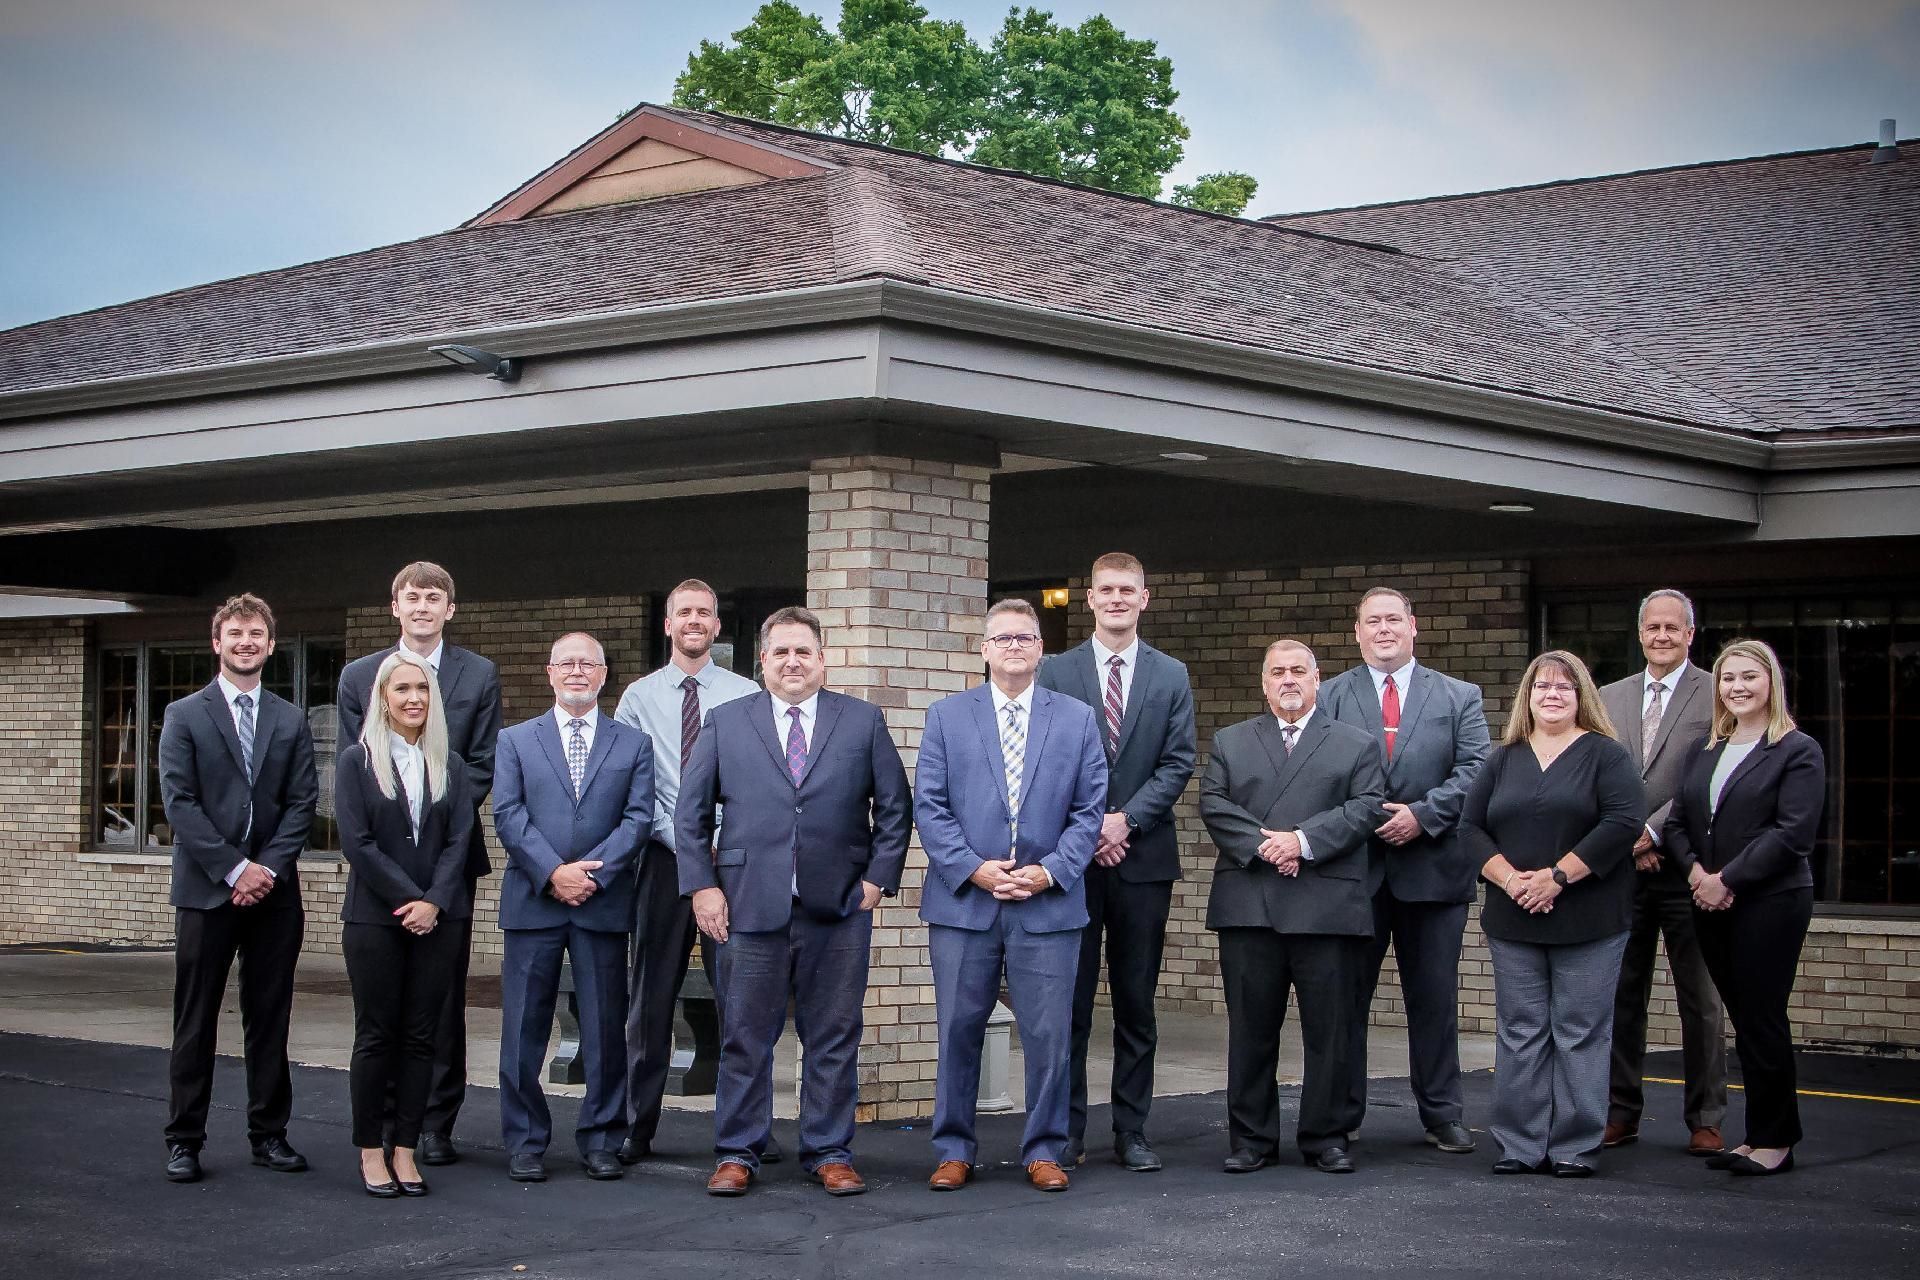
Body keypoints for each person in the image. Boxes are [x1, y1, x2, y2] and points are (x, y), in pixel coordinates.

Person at [679, 606, 912, 1197]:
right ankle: (738, 1151)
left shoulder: (860, 721)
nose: (792, 662)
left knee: (833, 1036)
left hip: (837, 909)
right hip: (748, 906)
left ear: (821, 658)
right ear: (763, 661)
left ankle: (829, 1151)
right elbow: (691, 814)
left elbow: (894, 809)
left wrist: (878, 880)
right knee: (744, 1036)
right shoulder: (728, 721)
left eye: (802, 651)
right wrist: (704, 886)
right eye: (780, 652)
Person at [916, 598, 1106, 1193]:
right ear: (984, 649)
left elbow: (1089, 808)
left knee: (1049, 1033)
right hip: (965, 905)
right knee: (958, 1029)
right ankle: (953, 1148)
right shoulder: (947, 717)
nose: (1014, 646)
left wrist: (1050, 872)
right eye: (1003, 638)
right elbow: (931, 804)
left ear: (1040, 648)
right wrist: (973, 869)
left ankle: (1045, 1148)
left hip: (1047, 904)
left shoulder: (1074, 718)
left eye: (1025, 637)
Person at [1199, 639, 1386, 1175]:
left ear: (1317, 679)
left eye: (1298, 671)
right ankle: (1251, 1139)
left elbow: (1367, 807)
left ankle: (1326, 1136)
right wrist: (1266, 844)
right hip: (1250, 904)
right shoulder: (1233, 741)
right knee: (1251, 1028)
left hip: (1326, 904)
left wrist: (1301, 841)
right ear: (1263, 684)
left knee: (1330, 1030)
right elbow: (1213, 802)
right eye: (1277, 672)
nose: (1288, 680)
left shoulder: (1355, 744)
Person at [336, 560, 502, 1167]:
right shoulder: (358, 676)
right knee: (379, 1017)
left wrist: (440, 818)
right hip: (382, 877)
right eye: (413, 597)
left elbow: (482, 760)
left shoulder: (478, 673)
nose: (423, 606)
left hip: (448, 863)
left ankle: (432, 1124)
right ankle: (379, 1128)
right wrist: (406, 879)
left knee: (439, 1006)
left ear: (449, 609)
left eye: (435, 598)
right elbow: (356, 771)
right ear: (395, 606)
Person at [1038, 552, 1196, 1173]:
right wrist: (1089, 830)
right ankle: (1067, 1131)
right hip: (1071, 864)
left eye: (1127, 590)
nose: (1117, 599)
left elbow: (1178, 762)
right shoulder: (1057, 671)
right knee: (1069, 1004)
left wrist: (1124, 820)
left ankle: (1132, 1130)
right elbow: (1047, 762)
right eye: (1106, 590)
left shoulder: (1170, 675)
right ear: (1091, 599)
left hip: (1143, 859)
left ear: (1144, 598)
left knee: (1136, 1002)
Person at [1319, 587, 1489, 1155]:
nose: (1384, 629)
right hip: (1354, 873)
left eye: (1394, 619)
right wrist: (1366, 817)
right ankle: (1341, 1117)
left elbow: (1477, 769)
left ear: (1414, 626)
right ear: (1357, 632)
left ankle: (1442, 1114)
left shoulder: (1459, 695)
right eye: (1373, 621)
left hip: (1434, 869)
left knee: (1434, 999)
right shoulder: (1330, 695)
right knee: (1345, 1002)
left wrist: (1423, 815)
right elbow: (1318, 773)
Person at [1462, 650, 1643, 1178]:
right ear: (1528, 696)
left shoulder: (1607, 756)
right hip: (1514, 918)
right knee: (1520, 1031)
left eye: (1565, 686)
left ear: (1582, 695)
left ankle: (1574, 1145)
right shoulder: (1502, 758)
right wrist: (1512, 880)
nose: (1553, 694)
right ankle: (1519, 1143)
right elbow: (1469, 828)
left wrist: (1557, 876)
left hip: (1589, 920)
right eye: (1542, 686)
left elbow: (1623, 822)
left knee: (1580, 1031)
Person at [158, 593, 318, 1184]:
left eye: (256, 633)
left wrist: (266, 870)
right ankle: (184, 1139)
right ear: (217, 643)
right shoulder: (184, 715)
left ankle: (269, 1134)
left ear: (271, 645)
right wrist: (233, 868)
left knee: (270, 1016)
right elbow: (180, 802)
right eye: (235, 633)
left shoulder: (290, 717)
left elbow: (303, 803)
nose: (246, 641)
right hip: (206, 891)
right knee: (195, 1019)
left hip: (274, 895)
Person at [491, 632, 654, 1183]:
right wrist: (554, 873)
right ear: (550, 672)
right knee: (523, 1030)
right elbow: (509, 815)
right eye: (567, 663)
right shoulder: (515, 740)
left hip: (601, 903)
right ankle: (525, 1141)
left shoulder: (632, 744)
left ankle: (603, 1138)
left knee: (606, 1028)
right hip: (535, 901)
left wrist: (590, 874)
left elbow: (638, 820)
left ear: (605, 675)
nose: (578, 672)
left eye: (589, 664)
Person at [612, 578, 760, 1166]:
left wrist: (720, 851)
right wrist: (689, 845)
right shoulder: (637, 698)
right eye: (683, 612)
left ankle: (746, 1129)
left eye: (704, 612)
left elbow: (759, 781)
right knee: (650, 1002)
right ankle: (634, 1127)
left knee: (741, 1002)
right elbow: (633, 788)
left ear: (717, 626)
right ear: (667, 625)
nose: (694, 620)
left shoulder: (747, 693)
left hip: (737, 867)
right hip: (664, 862)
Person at [1664, 639, 1824, 1177]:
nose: (1737, 686)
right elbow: (1680, 824)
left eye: (1749, 676)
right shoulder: (1705, 752)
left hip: (1770, 902)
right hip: (1708, 900)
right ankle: (1756, 1137)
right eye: (1728, 678)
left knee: (1763, 1017)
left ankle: (1777, 1139)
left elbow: (1792, 833)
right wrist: (1696, 875)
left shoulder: (1797, 750)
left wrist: (1726, 879)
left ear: (1771, 682)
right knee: (1744, 1018)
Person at [334, 651, 474, 1197]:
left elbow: (460, 840)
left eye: (423, 688)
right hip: (375, 919)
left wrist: (435, 902)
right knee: (376, 1035)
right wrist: (409, 900)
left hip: (439, 919)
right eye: (402, 689)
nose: (414, 698)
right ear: (383, 698)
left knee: (422, 1038)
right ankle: (371, 1150)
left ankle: (406, 1149)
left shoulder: (450, 764)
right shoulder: (355, 762)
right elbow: (358, 844)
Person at [1598, 589, 1726, 1155]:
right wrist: (1630, 838)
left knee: (1699, 999)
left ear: (1690, 635)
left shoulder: (1714, 694)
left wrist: (1652, 833)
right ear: (1640, 631)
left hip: (1689, 869)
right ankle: (1620, 1110)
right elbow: (1597, 775)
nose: (1662, 636)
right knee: (1622, 995)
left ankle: (1705, 1117)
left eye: (1673, 628)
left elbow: (1710, 777)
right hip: (1622, 873)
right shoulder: (1608, 697)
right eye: (1653, 627)